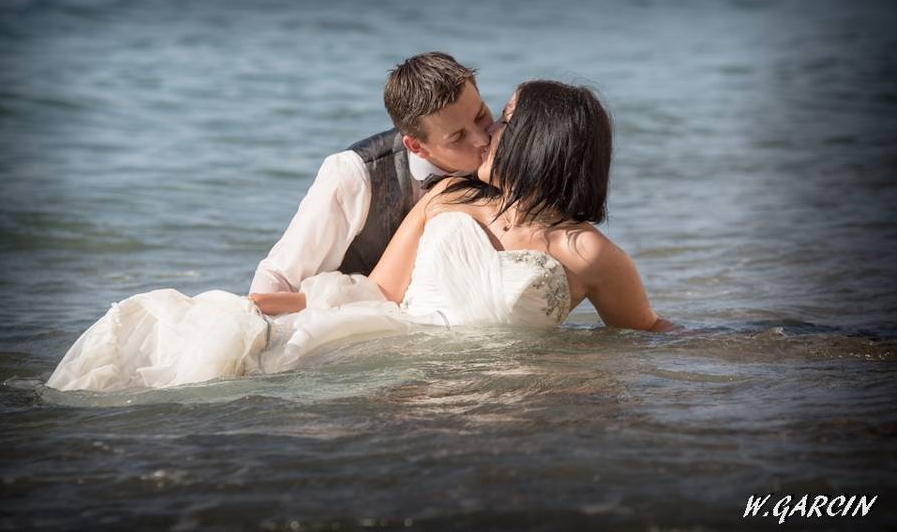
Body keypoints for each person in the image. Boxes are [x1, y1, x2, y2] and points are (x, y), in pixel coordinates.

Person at [46, 80, 671, 393]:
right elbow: (377, 292)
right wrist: (265, 304)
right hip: (393, 352)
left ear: (542, 141)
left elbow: (645, 337)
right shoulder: (450, 196)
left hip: (498, 389)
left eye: (502, 122)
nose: (487, 135)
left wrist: (754, 346)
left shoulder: (588, 254)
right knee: (211, 363)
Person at [249, 52, 494, 294]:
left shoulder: (508, 155)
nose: (482, 138)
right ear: (417, 147)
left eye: (481, 115)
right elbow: (281, 274)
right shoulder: (353, 174)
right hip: (352, 317)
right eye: (458, 137)